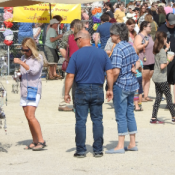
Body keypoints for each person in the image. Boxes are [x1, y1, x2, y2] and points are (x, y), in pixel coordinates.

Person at [64, 30, 113, 158]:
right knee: (97, 120)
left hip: (81, 88)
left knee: (80, 120)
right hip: (97, 88)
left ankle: (80, 150)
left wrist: (66, 93)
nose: (75, 42)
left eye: (75, 40)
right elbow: (110, 72)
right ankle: (97, 149)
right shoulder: (101, 53)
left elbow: (70, 76)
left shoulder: (76, 55)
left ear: (80, 39)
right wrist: (110, 88)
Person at [106, 23, 140, 154]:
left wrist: (109, 88)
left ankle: (120, 145)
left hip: (121, 84)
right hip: (132, 83)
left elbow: (115, 72)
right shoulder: (130, 46)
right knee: (130, 113)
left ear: (117, 35)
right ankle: (132, 143)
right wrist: (134, 69)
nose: (110, 36)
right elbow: (137, 61)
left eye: (112, 34)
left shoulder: (118, 49)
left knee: (120, 114)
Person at [14, 37, 46, 150]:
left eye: (27, 50)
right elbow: (25, 72)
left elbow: (34, 71)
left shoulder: (38, 58)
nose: (25, 52)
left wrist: (21, 63)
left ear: (32, 48)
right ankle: (35, 140)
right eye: (23, 50)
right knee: (28, 117)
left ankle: (41, 141)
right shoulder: (24, 58)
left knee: (31, 116)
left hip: (33, 89)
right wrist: (18, 75)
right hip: (24, 89)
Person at [150, 31, 175, 124]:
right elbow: (162, 65)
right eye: (166, 38)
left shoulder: (157, 49)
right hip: (161, 78)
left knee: (158, 98)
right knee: (169, 97)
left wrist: (166, 49)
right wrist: (168, 60)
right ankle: (174, 116)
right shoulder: (161, 51)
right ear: (164, 39)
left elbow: (160, 56)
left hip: (156, 77)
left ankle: (153, 118)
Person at [157, 13, 175, 110]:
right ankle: (169, 101)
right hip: (166, 58)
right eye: (171, 23)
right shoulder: (161, 29)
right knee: (166, 80)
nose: (173, 25)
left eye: (174, 23)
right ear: (166, 20)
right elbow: (157, 44)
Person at [58, 20, 83, 111]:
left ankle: (73, 102)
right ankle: (63, 102)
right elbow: (62, 48)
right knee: (69, 81)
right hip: (75, 60)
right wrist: (67, 59)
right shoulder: (69, 35)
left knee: (71, 81)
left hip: (74, 60)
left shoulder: (75, 36)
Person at [134, 21, 155, 102]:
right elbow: (136, 47)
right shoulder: (139, 36)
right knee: (143, 78)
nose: (151, 27)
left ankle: (146, 95)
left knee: (148, 78)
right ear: (144, 27)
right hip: (143, 60)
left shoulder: (149, 36)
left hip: (151, 60)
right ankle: (141, 95)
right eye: (149, 26)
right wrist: (144, 45)